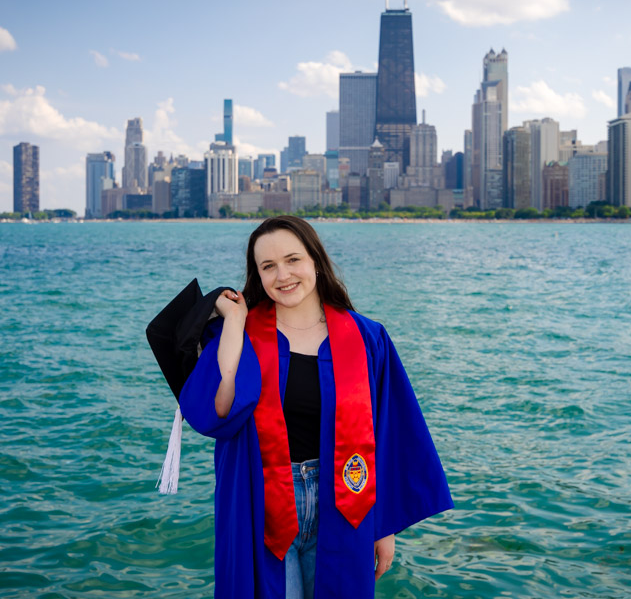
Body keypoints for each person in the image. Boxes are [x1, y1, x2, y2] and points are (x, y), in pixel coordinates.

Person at [179, 215, 453, 598]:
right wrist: (234, 323)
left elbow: (389, 431)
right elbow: (219, 411)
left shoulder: (366, 337)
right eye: (268, 266)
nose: (283, 275)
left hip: (343, 500)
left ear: (315, 262)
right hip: (260, 501)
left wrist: (383, 526)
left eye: (293, 260)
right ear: (257, 276)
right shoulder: (245, 337)